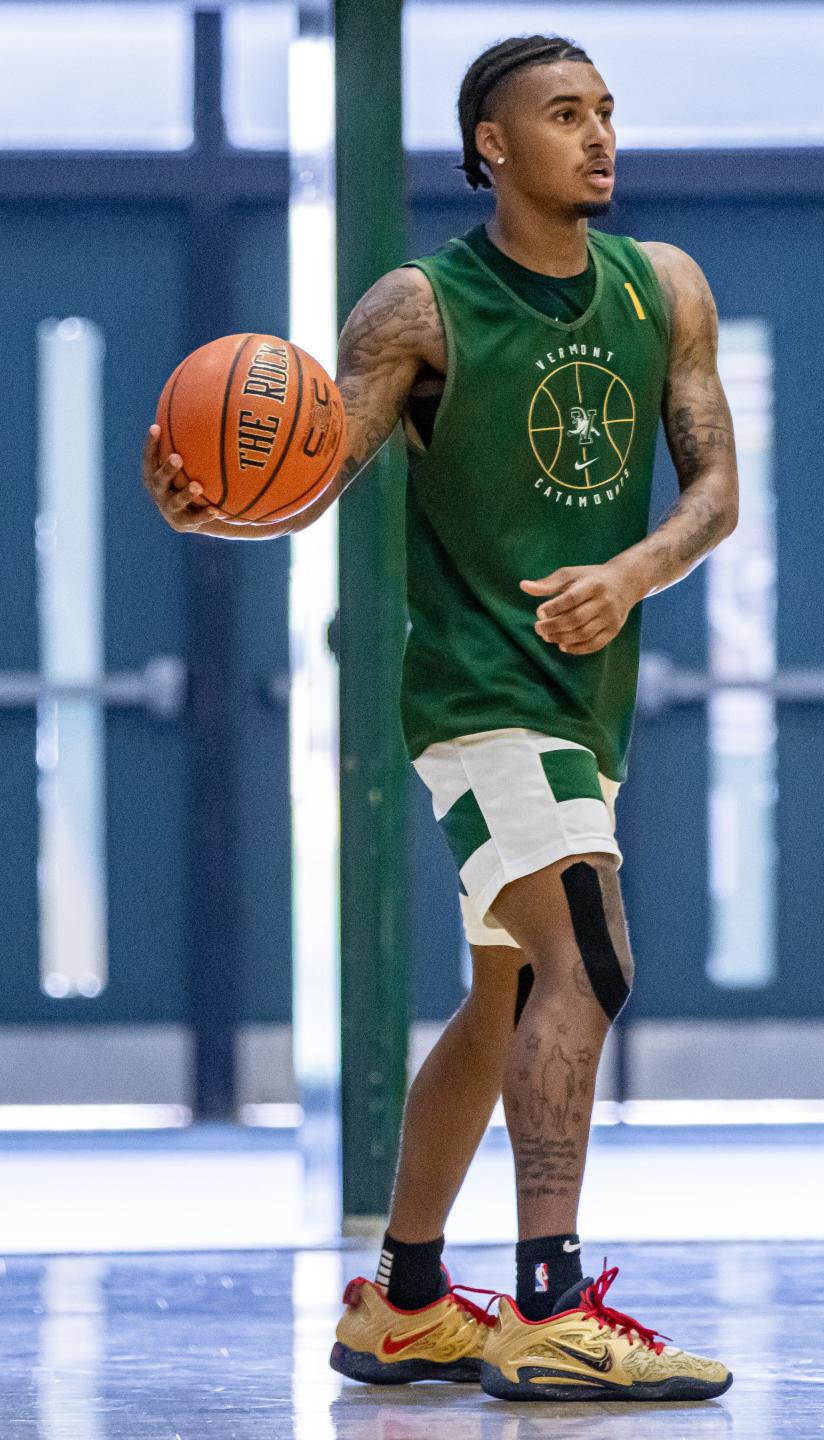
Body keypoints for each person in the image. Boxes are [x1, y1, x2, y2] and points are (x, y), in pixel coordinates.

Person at [143, 33, 739, 1405]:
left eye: (605, 113)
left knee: (510, 995)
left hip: (583, 706)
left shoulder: (669, 290)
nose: (597, 137)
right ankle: (552, 1305)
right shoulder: (418, 307)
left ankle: (405, 1302)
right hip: (481, 698)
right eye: (563, 115)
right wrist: (217, 506)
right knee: (590, 956)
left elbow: (714, 493)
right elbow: (314, 471)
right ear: (491, 146)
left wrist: (633, 570)